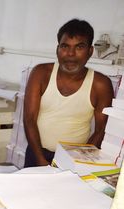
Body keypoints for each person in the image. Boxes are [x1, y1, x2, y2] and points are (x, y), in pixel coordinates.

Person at [23, 18, 114, 167]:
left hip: (75, 159)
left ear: (90, 51)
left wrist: (80, 162)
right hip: (37, 152)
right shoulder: (41, 74)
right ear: (57, 49)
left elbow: (101, 130)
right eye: (65, 46)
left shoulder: (100, 85)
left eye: (79, 47)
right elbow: (29, 119)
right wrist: (40, 159)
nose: (70, 54)